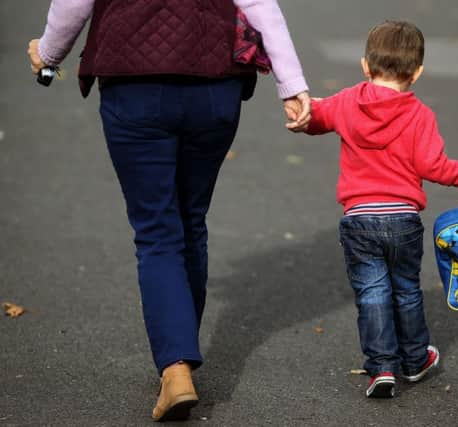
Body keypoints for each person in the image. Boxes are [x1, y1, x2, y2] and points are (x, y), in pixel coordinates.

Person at [28, 0, 310, 421]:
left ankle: (176, 368)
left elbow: (74, 3)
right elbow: (259, 4)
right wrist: (292, 84)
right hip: (214, 85)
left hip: (134, 87)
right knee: (190, 220)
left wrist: (48, 53)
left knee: (157, 230)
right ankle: (180, 355)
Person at [290, 21, 458, 398]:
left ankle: (381, 367)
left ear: (365, 66)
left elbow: (320, 116)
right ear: (418, 72)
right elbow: (432, 166)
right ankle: (414, 360)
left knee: (372, 292)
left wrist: (303, 116)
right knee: (407, 289)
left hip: (359, 218)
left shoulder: (348, 101)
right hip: (403, 218)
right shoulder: (420, 114)